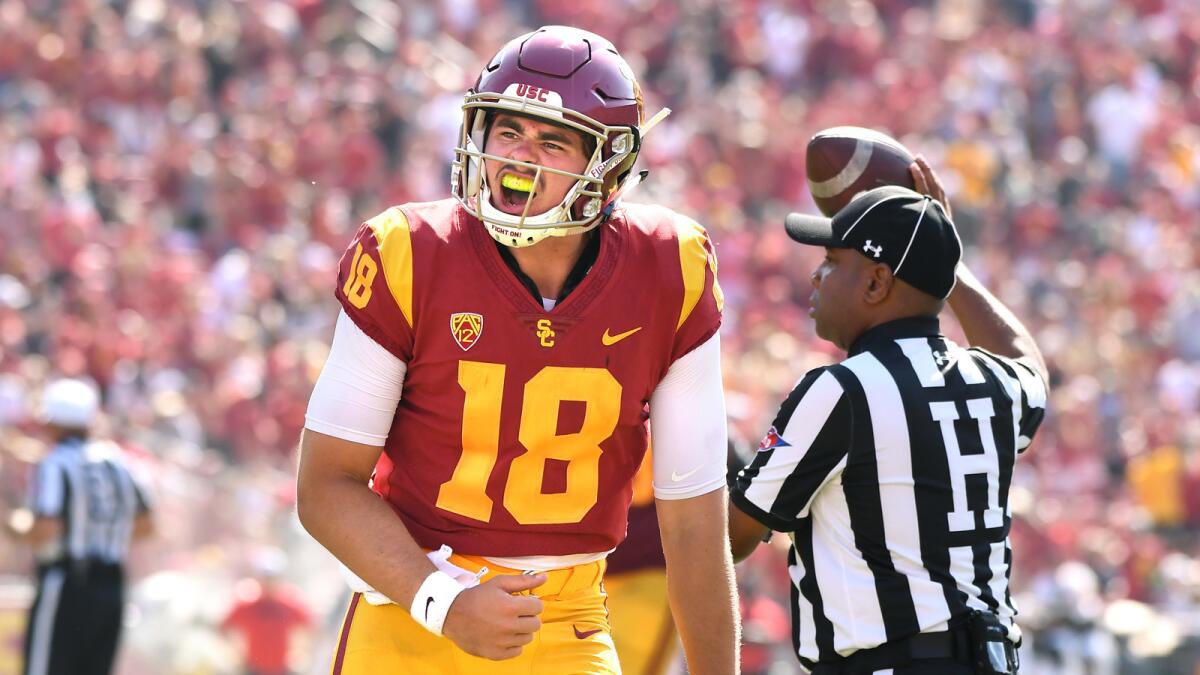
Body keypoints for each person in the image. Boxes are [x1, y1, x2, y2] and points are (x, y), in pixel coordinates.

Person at [296, 25, 739, 675]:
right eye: (507, 131)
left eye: (552, 141)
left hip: (564, 618)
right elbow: (325, 484)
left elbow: (696, 524)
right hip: (410, 604)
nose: (517, 157)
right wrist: (442, 600)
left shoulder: (671, 268)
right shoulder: (406, 252)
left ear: (608, 167)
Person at [727, 174, 1049, 673]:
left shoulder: (843, 391)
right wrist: (946, 265)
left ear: (877, 282)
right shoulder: (996, 381)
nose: (816, 276)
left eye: (833, 262)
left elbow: (733, 537)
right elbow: (1028, 367)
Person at [4, 378, 154, 675]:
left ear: (53, 422)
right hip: (112, 583)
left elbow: (46, 528)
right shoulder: (119, 462)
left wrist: (16, 527)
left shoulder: (56, 464)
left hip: (66, 583)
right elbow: (146, 525)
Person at [221, 549, 314, 675]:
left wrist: (301, 653)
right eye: (266, 577)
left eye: (273, 578)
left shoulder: (290, 602)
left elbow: (310, 626)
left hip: (283, 669)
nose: (269, 582)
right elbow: (224, 627)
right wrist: (236, 653)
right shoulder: (247, 602)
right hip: (252, 669)